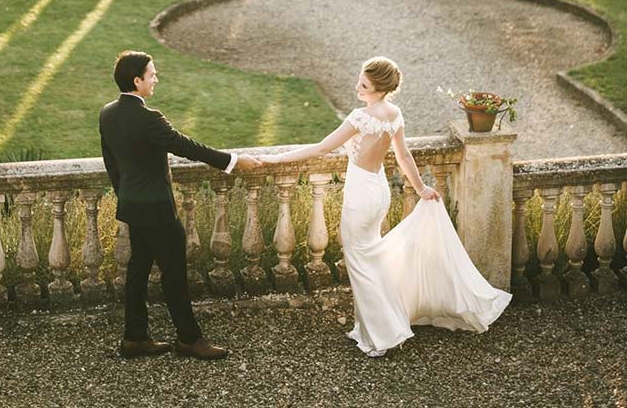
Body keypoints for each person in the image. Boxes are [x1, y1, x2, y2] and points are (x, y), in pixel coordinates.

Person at [262, 56, 511, 357]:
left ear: (380, 88)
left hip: (361, 194)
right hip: (378, 191)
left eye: (364, 85)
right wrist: (420, 188)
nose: (357, 87)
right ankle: (378, 324)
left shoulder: (360, 117)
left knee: (360, 261)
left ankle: (383, 333)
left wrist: (275, 158)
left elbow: (322, 148)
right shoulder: (393, 113)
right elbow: (403, 156)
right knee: (371, 258)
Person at [100, 49, 262, 361]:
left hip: (133, 206)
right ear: (137, 80)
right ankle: (189, 339)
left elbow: (112, 165)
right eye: (152, 74)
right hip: (158, 210)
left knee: (138, 270)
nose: (156, 78)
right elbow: (187, 147)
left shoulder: (107, 113)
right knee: (174, 274)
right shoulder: (150, 118)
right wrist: (234, 161)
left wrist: (126, 196)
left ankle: (134, 338)